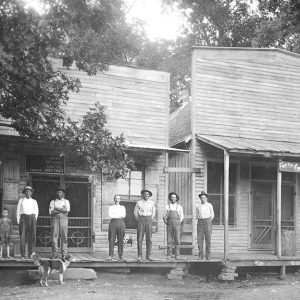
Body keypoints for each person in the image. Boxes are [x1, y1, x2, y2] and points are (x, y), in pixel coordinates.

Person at [16, 186, 39, 258]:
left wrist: (34, 219)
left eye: (29, 191)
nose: (28, 193)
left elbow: (36, 211)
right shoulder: (21, 200)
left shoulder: (34, 201)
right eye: (26, 191)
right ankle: (23, 254)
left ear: (31, 193)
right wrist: (18, 220)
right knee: (23, 237)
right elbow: (18, 211)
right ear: (24, 193)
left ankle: (31, 254)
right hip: (23, 218)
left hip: (32, 218)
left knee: (32, 237)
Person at [134, 189, 156, 261]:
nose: (146, 195)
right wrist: (140, 220)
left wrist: (149, 219)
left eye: (147, 194)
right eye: (144, 194)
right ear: (142, 195)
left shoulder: (152, 203)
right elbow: (135, 213)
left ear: (149, 195)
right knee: (139, 238)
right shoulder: (139, 202)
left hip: (149, 219)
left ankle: (148, 256)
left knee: (149, 238)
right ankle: (139, 255)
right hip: (141, 220)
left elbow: (153, 213)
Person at [49, 187, 70, 260]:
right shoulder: (52, 202)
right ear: (56, 193)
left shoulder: (66, 201)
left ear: (63, 194)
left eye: (60, 192)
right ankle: (55, 254)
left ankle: (64, 254)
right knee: (54, 237)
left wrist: (57, 209)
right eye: (57, 192)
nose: (59, 193)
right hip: (55, 219)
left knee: (64, 236)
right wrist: (62, 210)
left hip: (63, 219)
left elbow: (67, 210)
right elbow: (51, 212)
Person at [163, 192, 184, 260]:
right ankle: (169, 254)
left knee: (177, 240)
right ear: (170, 198)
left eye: (174, 197)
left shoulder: (179, 207)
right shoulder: (167, 206)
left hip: (177, 224)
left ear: (176, 198)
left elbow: (182, 216)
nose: (173, 198)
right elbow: (164, 216)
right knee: (169, 240)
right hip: (169, 224)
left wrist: (178, 222)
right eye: (172, 197)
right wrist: (167, 222)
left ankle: (177, 255)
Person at [107, 194, 126, 262]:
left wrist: (116, 214)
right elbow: (111, 215)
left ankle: (120, 255)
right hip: (113, 222)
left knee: (120, 239)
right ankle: (110, 255)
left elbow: (123, 215)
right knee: (111, 239)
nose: (117, 199)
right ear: (114, 199)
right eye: (116, 198)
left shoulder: (122, 207)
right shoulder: (111, 207)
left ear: (120, 200)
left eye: (118, 198)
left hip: (121, 222)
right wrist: (118, 215)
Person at [195, 191, 214, 260]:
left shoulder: (209, 205)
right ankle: (200, 256)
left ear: (206, 198)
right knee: (200, 239)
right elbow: (196, 215)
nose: (203, 199)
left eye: (204, 197)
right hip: (200, 222)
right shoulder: (198, 206)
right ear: (200, 198)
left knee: (208, 239)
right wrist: (200, 219)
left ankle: (208, 256)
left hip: (208, 221)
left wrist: (208, 221)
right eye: (201, 198)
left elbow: (212, 215)